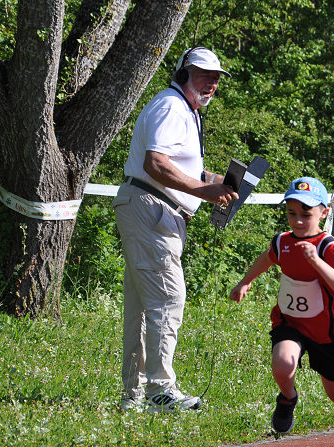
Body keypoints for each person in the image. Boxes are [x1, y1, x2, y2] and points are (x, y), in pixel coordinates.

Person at [113, 47, 238, 413]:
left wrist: (218, 181)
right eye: (204, 75)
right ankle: (161, 391)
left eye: (216, 78)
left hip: (149, 209)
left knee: (142, 306)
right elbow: (155, 163)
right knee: (168, 298)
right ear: (183, 73)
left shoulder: (182, 109)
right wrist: (204, 191)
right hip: (152, 209)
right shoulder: (172, 106)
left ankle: (135, 395)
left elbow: (176, 166)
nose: (211, 84)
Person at [229, 176, 334, 447]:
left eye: (306, 214)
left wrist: (316, 262)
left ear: (324, 212)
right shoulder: (282, 241)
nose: (298, 221)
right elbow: (267, 258)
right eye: (292, 213)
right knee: (282, 363)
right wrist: (245, 282)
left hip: (324, 332)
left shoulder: (327, 245)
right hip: (289, 322)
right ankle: (287, 398)